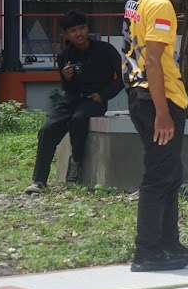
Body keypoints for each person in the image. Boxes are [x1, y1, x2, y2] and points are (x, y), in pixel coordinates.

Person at [122, 0, 188, 272]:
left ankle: (169, 245)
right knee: (159, 176)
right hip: (158, 97)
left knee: (171, 173)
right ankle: (147, 253)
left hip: (140, 93)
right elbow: (154, 60)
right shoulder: (161, 5)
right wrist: (162, 113)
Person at [26, 12, 123, 193]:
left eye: (82, 28)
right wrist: (67, 78)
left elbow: (122, 77)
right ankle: (39, 180)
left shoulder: (105, 50)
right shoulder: (65, 55)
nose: (79, 33)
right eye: (73, 30)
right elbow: (67, 89)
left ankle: (75, 164)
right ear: (66, 34)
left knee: (79, 119)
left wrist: (103, 95)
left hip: (94, 100)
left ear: (87, 28)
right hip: (72, 99)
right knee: (48, 128)